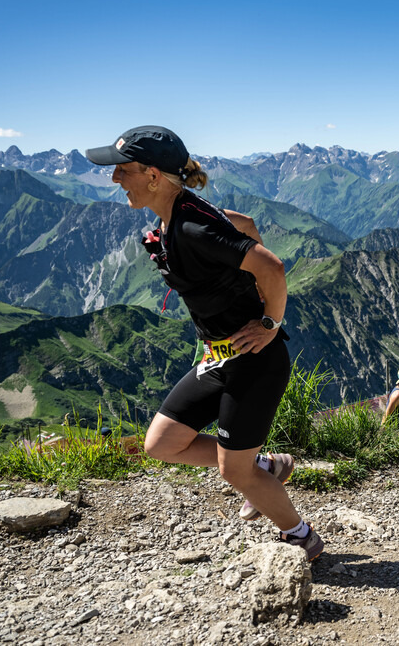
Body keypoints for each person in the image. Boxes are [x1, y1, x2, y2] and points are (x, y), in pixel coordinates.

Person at [84, 126, 323, 560]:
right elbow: (246, 226)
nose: (115, 179)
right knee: (161, 443)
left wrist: (269, 321)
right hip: (221, 358)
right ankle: (267, 467)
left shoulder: (192, 226)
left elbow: (272, 266)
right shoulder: (179, 215)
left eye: (123, 170)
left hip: (255, 359)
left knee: (234, 472)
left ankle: (301, 536)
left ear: (153, 175)